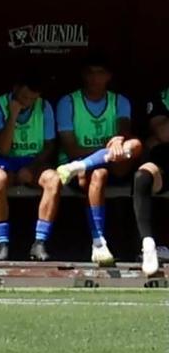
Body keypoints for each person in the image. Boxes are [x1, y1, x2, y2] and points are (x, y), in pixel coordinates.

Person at [52, 51, 136, 269]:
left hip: (113, 164)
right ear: (83, 75)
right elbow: (71, 149)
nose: (94, 78)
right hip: (75, 167)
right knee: (99, 173)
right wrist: (108, 148)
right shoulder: (68, 102)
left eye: (100, 73)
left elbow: (124, 131)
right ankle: (99, 242)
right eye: (90, 73)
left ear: (109, 76)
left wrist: (118, 141)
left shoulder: (120, 101)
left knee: (135, 146)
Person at [0, 67, 61, 261]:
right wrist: (13, 115)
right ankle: (2, 243)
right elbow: (2, 148)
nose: (28, 103)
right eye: (24, 97)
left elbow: (50, 146)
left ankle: (39, 242)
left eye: (32, 99)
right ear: (15, 89)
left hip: (32, 163)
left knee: (54, 180)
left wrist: (31, 168)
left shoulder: (44, 107)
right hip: (3, 161)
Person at [125, 96, 169, 278]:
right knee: (142, 176)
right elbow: (165, 133)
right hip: (164, 167)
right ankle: (148, 245)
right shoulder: (160, 97)